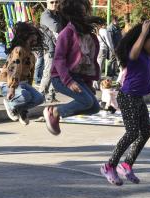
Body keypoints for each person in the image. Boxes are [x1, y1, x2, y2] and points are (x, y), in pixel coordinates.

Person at [100, 21, 150, 186]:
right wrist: (143, 32)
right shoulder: (136, 54)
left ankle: (126, 164)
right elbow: (135, 52)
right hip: (127, 97)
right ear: (141, 41)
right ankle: (109, 165)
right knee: (132, 132)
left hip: (138, 98)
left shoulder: (147, 53)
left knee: (146, 132)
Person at [43, 0, 103, 135]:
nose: (86, 15)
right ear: (74, 15)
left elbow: (87, 63)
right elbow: (58, 59)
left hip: (78, 77)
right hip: (60, 77)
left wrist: (88, 84)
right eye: (83, 13)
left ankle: (57, 112)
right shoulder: (67, 32)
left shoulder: (88, 36)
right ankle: (55, 112)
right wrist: (68, 81)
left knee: (94, 107)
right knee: (86, 101)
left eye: (86, 12)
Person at [0, 22, 44, 125]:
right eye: (33, 34)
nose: (36, 37)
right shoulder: (18, 50)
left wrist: (30, 86)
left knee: (39, 98)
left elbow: (30, 73)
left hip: (22, 83)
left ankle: (19, 109)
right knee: (25, 96)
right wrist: (12, 88)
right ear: (26, 35)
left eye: (36, 34)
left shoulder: (31, 55)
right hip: (7, 83)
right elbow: (14, 68)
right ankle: (10, 103)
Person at [39, 0, 63, 103]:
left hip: (58, 47)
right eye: (52, 2)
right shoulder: (45, 15)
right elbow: (56, 27)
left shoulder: (58, 15)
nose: (54, 4)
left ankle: (51, 95)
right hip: (49, 49)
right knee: (48, 73)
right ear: (47, 3)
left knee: (56, 73)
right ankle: (40, 95)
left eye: (56, 2)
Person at [93, 22, 114, 90]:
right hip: (103, 50)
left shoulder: (98, 31)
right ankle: (96, 85)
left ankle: (95, 84)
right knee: (99, 68)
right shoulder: (104, 31)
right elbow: (109, 42)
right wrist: (112, 50)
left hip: (98, 50)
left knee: (98, 67)